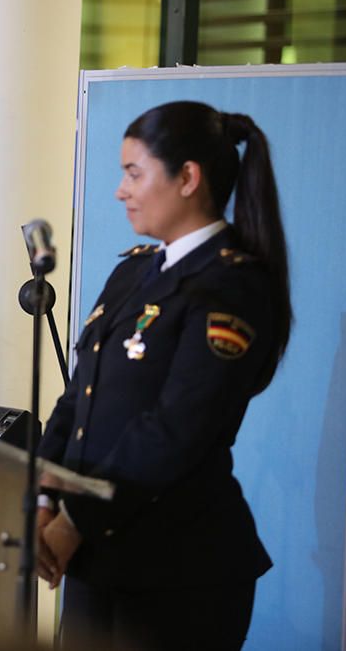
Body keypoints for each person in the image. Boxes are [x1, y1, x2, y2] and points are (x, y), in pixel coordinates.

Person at [35, 101, 291, 651]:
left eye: (133, 173)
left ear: (188, 178)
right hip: (95, 558)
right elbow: (78, 401)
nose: (120, 190)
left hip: (178, 572)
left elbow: (176, 429)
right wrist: (43, 501)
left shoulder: (232, 285)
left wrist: (74, 517)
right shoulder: (132, 271)